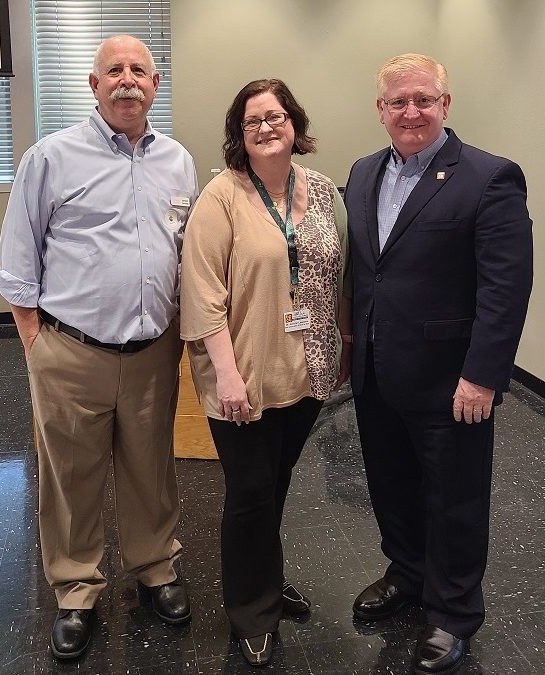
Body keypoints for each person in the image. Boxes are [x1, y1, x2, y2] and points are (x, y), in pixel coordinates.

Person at [0, 35, 198, 660]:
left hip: (152, 352)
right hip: (69, 349)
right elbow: (18, 256)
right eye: (114, 70)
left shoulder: (177, 161)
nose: (128, 80)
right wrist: (36, 342)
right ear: (94, 84)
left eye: (140, 69)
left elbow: (183, 248)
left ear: (155, 85)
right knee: (71, 474)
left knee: (151, 467)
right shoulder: (51, 157)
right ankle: (76, 589)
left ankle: (155, 568)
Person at [344, 53, 533, 674]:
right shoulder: (363, 173)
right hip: (377, 374)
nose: (411, 111)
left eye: (424, 99)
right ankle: (407, 574)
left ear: (445, 104)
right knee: (391, 485)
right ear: (381, 111)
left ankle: (452, 612)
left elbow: (505, 289)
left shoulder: (489, 177)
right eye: (398, 102)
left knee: (453, 497)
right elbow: (366, 272)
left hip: (452, 381)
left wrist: (482, 374)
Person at [180, 79, 351, 667]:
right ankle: (251, 612)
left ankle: (266, 582)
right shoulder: (220, 197)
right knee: (250, 493)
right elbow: (201, 297)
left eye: (276, 116)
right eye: (253, 121)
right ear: (239, 135)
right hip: (242, 375)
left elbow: (336, 276)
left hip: (304, 373)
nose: (267, 127)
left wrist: (342, 344)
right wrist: (226, 376)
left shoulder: (324, 191)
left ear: (294, 123)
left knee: (273, 487)